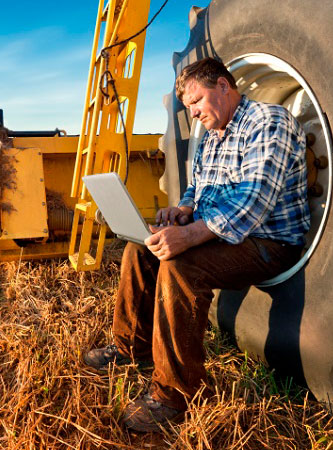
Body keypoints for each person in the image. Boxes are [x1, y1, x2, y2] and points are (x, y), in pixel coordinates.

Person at [83, 57, 311, 432]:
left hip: (267, 241)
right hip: (222, 235)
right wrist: (184, 210)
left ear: (224, 85)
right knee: (140, 250)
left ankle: (175, 393)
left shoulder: (268, 121)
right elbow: (198, 186)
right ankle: (129, 349)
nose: (192, 113)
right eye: (187, 106)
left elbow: (254, 200)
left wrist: (189, 236)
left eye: (196, 101)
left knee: (180, 266)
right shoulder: (212, 133)